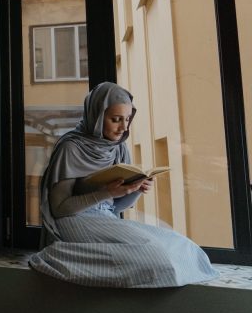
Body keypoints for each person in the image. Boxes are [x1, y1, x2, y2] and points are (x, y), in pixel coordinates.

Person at [29, 82, 218, 288]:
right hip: (74, 220)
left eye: (127, 119)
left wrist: (133, 190)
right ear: (98, 116)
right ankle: (58, 255)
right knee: (154, 256)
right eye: (116, 119)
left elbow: (114, 207)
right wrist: (106, 192)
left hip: (105, 218)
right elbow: (59, 210)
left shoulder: (118, 148)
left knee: (183, 246)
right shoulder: (71, 147)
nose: (124, 127)